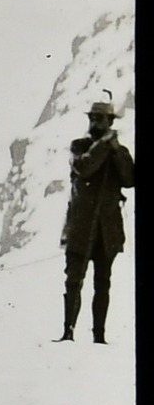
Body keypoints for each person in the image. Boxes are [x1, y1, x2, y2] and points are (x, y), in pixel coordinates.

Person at [59, 99, 133, 344]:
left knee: (103, 282)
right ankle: (68, 331)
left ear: (110, 122)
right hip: (80, 227)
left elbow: (130, 179)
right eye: (93, 118)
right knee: (74, 280)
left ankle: (99, 336)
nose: (96, 123)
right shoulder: (79, 146)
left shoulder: (118, 152)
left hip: (107, 230)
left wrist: (115, 150)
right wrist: (103, 146)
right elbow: (84, 168)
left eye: (101, 119)